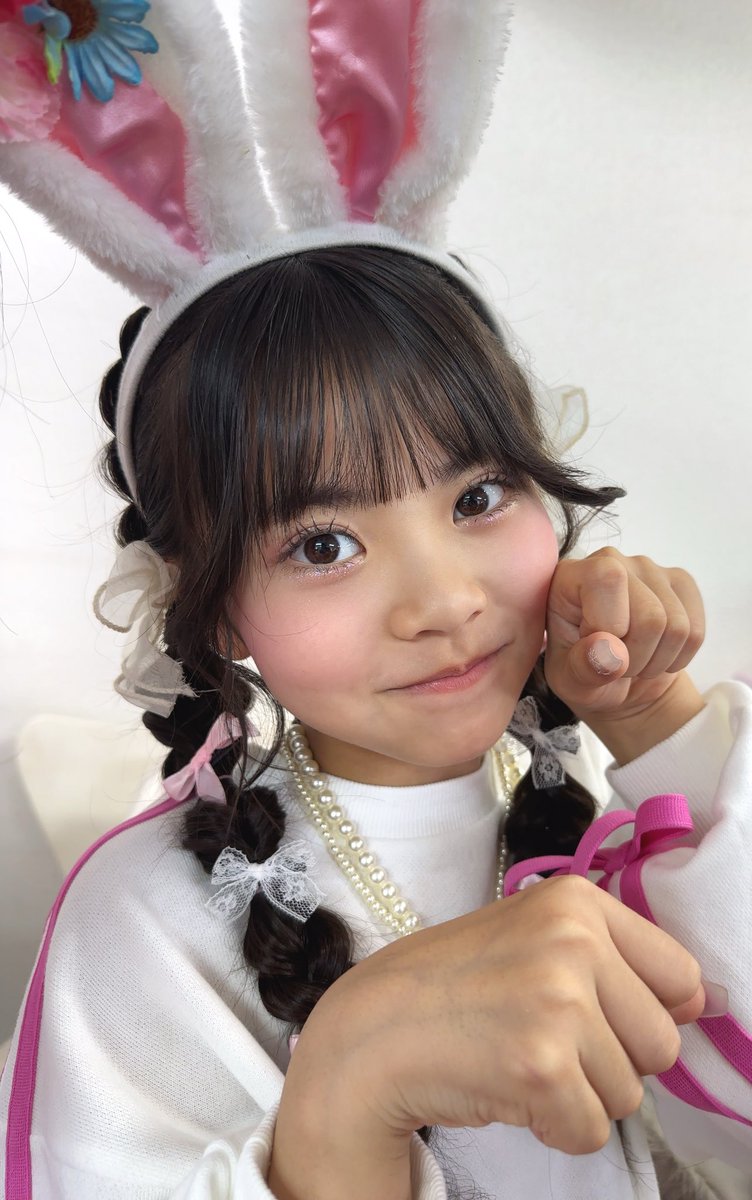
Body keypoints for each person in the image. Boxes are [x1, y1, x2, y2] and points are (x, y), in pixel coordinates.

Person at [1, 3, 751, 1199]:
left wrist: (656, 723)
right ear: (210, 606)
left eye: (477, 496)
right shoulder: (142, 923)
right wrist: (349, 1079)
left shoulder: (579, 822)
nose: (442, 599)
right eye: (324, 543)